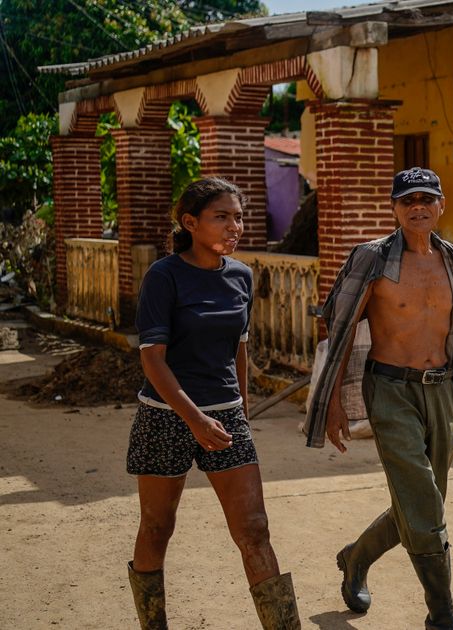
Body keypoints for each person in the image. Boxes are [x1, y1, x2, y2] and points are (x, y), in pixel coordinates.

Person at [303, 167, 453, 630]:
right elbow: (339, 332)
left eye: (426, 199)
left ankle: (355, 557)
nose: (417, 207)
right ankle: (442, 613)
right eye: (407, 200)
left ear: (440, 206)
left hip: (440, 390)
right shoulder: (372, 259)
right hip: (391, 389)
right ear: (394, 208)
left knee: (423, 502)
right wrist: (333, 402)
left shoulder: (451, 258)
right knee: (421, 501)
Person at [126, 177, 300, 630]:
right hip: (166, 416)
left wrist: (239, 405)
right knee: (158, 527)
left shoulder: (240, 275)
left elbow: (240, 346)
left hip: (225, 419)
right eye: (221, 216)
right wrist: (194, 418)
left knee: (255, 529)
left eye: (239, 216)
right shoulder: (164, 276)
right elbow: (152, 359)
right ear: (190, 222)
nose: (234, 226)